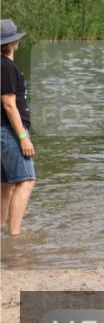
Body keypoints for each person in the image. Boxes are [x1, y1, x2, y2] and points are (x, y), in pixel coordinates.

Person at [1, 19, 36, 236]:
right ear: (14, 43)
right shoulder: (6, 66)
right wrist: (23, 136)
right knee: (26, 181)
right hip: (9, 131)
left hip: (3, 131)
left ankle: (2, 231)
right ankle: (14, 235)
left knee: (6, 184)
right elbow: (8, 103)